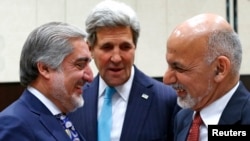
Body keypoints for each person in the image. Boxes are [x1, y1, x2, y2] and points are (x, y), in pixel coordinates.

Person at [69, 0, 180, 141]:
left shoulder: (167, 100)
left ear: (135, 47)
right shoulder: (73, 99)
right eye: (107, 47)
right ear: (90, 49)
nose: (116, 58)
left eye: (125, 47)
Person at [163, 13, 250, 141]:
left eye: (179, 67)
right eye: (169, 65)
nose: (166, 79)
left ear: (220, 69)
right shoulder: (183, 118)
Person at [0, 22, 93, 141]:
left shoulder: (63, 118)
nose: (90, 77)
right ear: (45, 68)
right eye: (80, 65)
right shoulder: (14, 124)